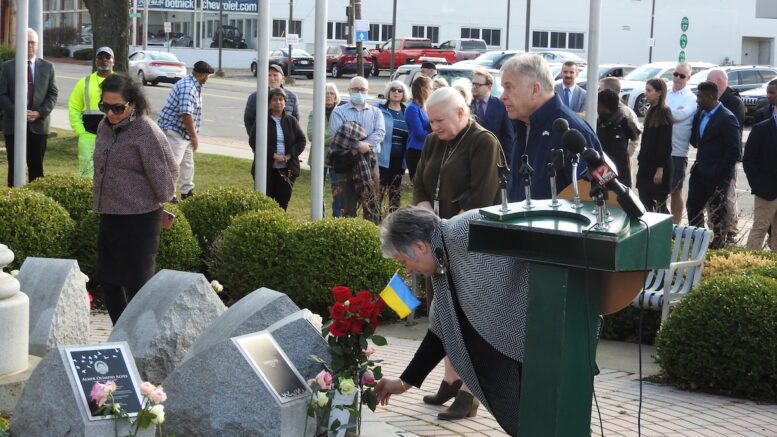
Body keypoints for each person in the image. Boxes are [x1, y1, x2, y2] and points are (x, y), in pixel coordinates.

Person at [376, 206, 528, 436]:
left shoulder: (466, 230)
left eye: (404, 261)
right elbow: (440, 330)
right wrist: (403, 383)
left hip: (539, 336)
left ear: (420, 247)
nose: (407, 269)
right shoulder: (442, 256)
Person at [411, 87, 500, 420]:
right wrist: (423, 212)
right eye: (431, 121)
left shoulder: (483, 142)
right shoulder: (435, 140)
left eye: (440, 120)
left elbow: (482, 196)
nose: (434, 127)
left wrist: (447, 230)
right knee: (443, 314)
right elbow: (420, 179)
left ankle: (469, 392)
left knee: (468, 318)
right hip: (436, 239)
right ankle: (451, 377)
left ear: (462, 113)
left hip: (466, 244)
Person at [92, 75, 178, 324]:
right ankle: (122, 331)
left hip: (141, 218)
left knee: (137, 285)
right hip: (110, 213)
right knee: (107, 280)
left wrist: (159, 201)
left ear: (133, 103)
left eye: (117, 108)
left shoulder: (145, 130)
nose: (110, 113)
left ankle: (140, 338)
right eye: (105, 106)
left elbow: (166, 175)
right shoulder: (103, 127)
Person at [499, 54, 602, 202]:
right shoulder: (522, 124)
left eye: (509, 88)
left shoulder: (573, 132)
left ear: (535, 89)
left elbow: (590, 201)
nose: (503, 96)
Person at [0, 28, 58, 187]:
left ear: (37, 45)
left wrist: (39, 113)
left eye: (33, 43)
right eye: (26, 42)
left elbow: (52, 94)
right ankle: (13, 201)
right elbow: (2, 94)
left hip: (38, 126)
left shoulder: (48, 67)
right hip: (14, 126)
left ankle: (37, 202)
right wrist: (18, 112)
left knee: (37, 169)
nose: (30, 46)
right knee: (14, 167)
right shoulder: (7, 67)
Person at [686, 81, 741, 249]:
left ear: (710, 97)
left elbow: (735, 152)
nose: (697, 100)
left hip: (717, 175)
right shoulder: (701, 113)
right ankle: (698, 241)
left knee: (717, 212)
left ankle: (718, 244)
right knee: (693, 206)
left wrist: (718, 171)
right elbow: (697, 141)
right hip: (700, 171)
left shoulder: (727, 118)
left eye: (700, 97)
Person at [329, 76, 385, 221]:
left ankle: (371, 235)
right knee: (347, 205)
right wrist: (358, 145)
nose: (359, 92)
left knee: (371, 203)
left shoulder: (376, 112)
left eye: (362, 89)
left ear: (367, 91)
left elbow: (380, 133)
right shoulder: (339, 112)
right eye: (355, 89)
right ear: (349, 90)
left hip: (370, 162)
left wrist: (364, 145)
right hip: (346, 162)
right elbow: (338, 134)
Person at [157, 60, 213, 200]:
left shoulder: (194, 84)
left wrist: (191, 135)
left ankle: (187, 192)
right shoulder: (188, 88)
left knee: (187, 163)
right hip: (174, 130)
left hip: (184, 133)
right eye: (207, 75)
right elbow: (186, 114)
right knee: (173, 164)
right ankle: (168, 196)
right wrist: (194, 136)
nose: (208, 78)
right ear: (201, 74)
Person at [246, 87, 306, 210]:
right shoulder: (262, 121)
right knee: (264, 201)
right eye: (274, 100)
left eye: (281, 99)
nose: (278, 102)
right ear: (269, 103)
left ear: (285, 102)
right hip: (267, 167)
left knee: (282, 202)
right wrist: (273, 155)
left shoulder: (291, 121)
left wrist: (289, 156)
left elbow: (301, 141)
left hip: (287, 169)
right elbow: (254, 141)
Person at [707, 69, 745, 244]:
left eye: (710, 80)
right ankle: (714, 227)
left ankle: (730, 229)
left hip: (726, 157)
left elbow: (733, 135)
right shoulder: (711, 102)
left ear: (720, 81)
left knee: (728, 194)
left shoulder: (733, 102)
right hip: (711, 158)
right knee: (711, 195)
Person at [68, 46, 114, 177]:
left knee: (112, 171)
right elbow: (74, 107)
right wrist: (80, 131)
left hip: (114, 136)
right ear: (95, 61)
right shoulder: (84, 82)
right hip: (88, 135)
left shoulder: (120, 82)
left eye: (107, 57)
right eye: (100, 57)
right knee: (87, 172)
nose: (104, 60)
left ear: (113, 61)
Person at [743, 79, 777, 251]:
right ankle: (749, 266)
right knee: (760, 229)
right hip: (766, 190)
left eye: (772, 92)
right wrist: (758, 185)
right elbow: (748, 159)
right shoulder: (762, 128)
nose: (768, 96)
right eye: (768, 92)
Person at [666, 62, 697, 225]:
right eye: (676, 74)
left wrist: (663, 111)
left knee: (675, 190)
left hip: (678, 152)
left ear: (688, 78)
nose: (678, 78)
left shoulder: (691, 98)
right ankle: (661, 223)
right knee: (659, 190)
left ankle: (676, 225)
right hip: (661, 150)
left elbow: (679, 115)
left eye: (682, 75)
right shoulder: (666, 93)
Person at [636, 78, 673, 213]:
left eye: (649, 90)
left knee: (659, 205)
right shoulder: (651, 110)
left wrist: (660, 168)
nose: (646, 93)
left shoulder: (664, 112)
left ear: (659, 92)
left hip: (658, 167)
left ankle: (667, 231)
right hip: (646, 164)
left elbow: (665, 143)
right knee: (644, 201)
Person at [307, 82, 342, 216]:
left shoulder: (341, 112)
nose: (328, 96)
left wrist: (321, 136)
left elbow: (343, 135)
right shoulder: (314, 112)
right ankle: (318, 217)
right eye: (325, 93)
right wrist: (333, 137)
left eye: (331, 93)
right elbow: (311, 135)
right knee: (317, 190)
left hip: (336, 157)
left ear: (336, 96)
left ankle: (336, 219)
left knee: (337, 191)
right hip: (317, 157)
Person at [377, 80, 409, 215]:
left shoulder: (407, 112)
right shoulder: (380, 110)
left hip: (399, 158)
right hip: (382, 157)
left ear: (403, 94)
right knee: (380, 190)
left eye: (399, 90)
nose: (396, 92)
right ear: (388, 92)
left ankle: (393, 219)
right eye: (393, 90)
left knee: (395, 191)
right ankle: (375, 218)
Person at [596, 89, 640, 187]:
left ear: (606, 107)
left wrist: (628, 154)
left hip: (620, 172)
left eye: (599, 105)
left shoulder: (623, 121)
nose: (597, 108)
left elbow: (635, 137)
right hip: (603, 169)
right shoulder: (600, 122)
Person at [470, 69, 516, 164]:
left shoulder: (500, 105)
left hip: (493, 159)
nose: (474, 87)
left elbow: (507, 136)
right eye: (473, 83)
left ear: (489, 86)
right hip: (471, 158)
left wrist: (507, 163)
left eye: (478, 85)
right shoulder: (467, 104)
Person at [599, 76, 641, 157]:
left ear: (609, 91)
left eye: (600, 89)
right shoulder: (601, 110)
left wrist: (624, 156)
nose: (598, 92)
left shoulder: (626, 113)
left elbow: (635, 139)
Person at [404, 75, 432, 181]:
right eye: (430, 88)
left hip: (427, 150)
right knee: (419, 185)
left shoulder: (424, 107)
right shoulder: (412, 108)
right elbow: (420, 134)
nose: (431, 91)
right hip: (416, 152)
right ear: (422, 89)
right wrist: (435, 127)